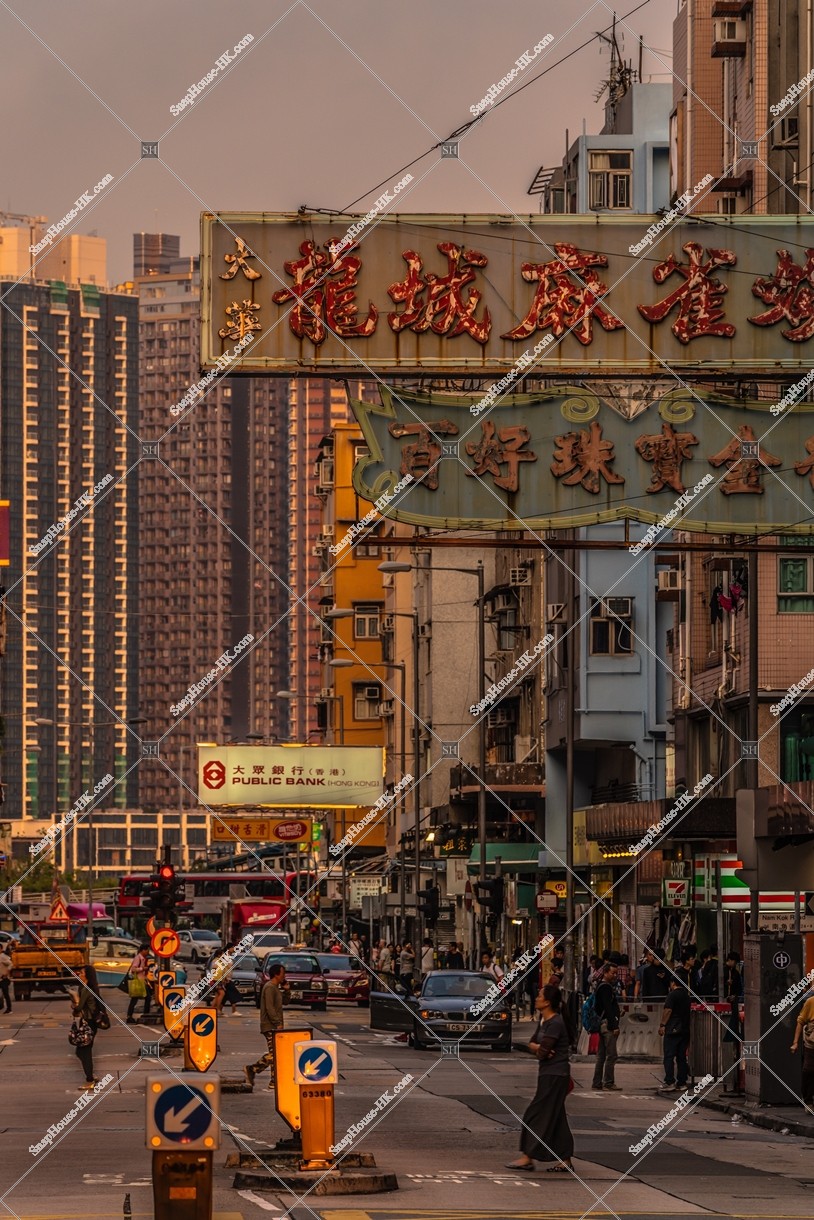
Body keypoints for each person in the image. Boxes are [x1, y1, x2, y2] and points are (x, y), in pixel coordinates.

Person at [506, 984, 575, 1172]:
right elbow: (534, 1044)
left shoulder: (555, 1023)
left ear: (547, 1002)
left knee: (534, 1115)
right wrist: (537, 1047)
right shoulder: (544, 1022)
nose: (536, 997)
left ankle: (528, 1157)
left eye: (539, 995)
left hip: (555, 1075)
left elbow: (542, 1052)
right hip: (548, 1074)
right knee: (557, 1118)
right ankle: (565, 1160)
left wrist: (538, 1048)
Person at [244, 962, 286, 1091]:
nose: (284, 976)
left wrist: (288, 991)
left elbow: (285, 1002)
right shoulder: (269, 987)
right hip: (270, 1025)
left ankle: (274, 1082)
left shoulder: (276, 987)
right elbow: (269, 1008)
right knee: (275, 1054)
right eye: (283, 973)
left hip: (274, 1025)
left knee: (275, 1054)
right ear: (276, 974)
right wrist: (277, 1023)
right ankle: (252, 1069)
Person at [72, 965, 104, 1089]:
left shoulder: (87, 989)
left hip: (89, 1022)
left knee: (84, 1051)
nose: (80, 974)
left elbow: (79, 1007)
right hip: (90, 1022)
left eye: (82, 972)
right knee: (82, 1050)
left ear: (87, 975)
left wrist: (75, 1006)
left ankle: (89, 1080)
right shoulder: (88, 988)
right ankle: (91, 1075)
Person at [592, 962, 621, 1091]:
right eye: (612, 973)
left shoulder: (601, 986)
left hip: (602, 1023)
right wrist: (614, 1025)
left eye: (616, 973)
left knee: (601, 1056)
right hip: (607, 1025)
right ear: (605, 972)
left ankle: (597, 1082)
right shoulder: (606, 988)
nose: (614, 975)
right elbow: (608, 1008)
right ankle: (608, 1082)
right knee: (611, 1055)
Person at [658, 976, 691, 1091]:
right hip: (685, 1030)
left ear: (673, 983)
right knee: (681, 1057)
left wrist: (662, 1025)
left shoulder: (672, 995)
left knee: (669, 1056)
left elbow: (668, 1010)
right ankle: (682, 1082)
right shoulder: (687, 996)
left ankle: (669, 1082)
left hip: (673, 1029)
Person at [791, 979, 814, 1112]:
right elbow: (800, 1022)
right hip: (811, 1043)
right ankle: (808, 1100)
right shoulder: (810, 1002)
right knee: (809, 1071)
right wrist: (795, 1042)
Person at [126, 943, 152, 1023]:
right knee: (144, 998)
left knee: (140, 998)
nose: (148, 952)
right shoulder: (138, 958)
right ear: (143, 950)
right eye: (147, 950)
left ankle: (130, 1016)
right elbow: (133, 969)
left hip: (142, 981)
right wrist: (143, 968)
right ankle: (143, 1015)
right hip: (138, 981)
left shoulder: (142, 958)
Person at [0, 942, 13, 1013]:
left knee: (6, 994)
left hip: (4, 979)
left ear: (1, 949)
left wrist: (6, 973)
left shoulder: (3, 956)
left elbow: (11, 964)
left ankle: (9, 1009)